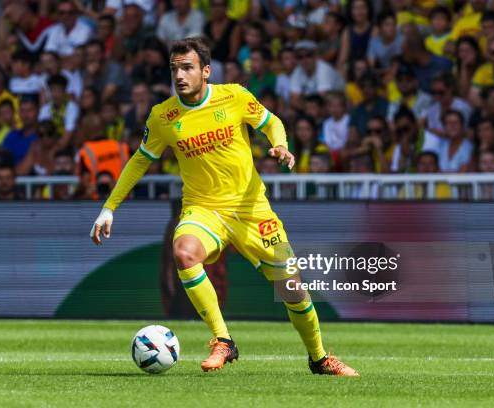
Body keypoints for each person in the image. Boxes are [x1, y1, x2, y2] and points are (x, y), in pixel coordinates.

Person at [90, 37, 358, 376]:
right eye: (174, 69)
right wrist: (109, 207)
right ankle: (223, 340)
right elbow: (140, 161)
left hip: (251, 209)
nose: (180, 75)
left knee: (292, 288)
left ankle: (319, 359)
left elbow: (272, 121)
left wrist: (280, 145)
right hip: (203, 209)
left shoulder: (234, 96)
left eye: (187, 67)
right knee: (184, 252)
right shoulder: (163, 116)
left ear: (205, 70)